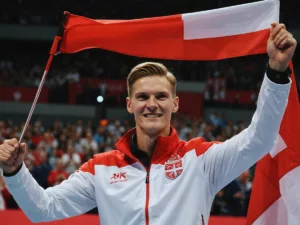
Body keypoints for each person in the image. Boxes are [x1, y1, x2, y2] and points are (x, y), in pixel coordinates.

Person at [0, 23, 297, 225]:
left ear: (175, 103)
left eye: (161, 96)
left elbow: (260, 138)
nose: (151, 103)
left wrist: (276, 72)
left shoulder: (202, 160)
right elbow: (43, 209)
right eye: (142, 96)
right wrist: (14, 171)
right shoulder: (101, 169)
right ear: (129, 104)